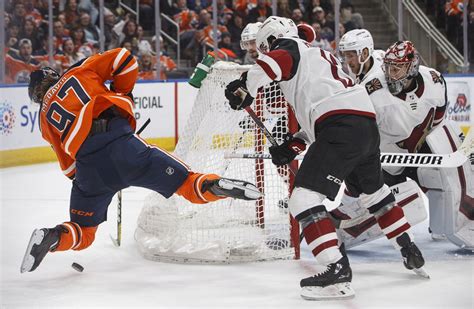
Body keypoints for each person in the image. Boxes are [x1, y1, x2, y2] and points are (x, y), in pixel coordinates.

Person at [224, 16, 426, 300]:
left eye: (264, 49)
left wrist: (245, 86)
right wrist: (294, 144)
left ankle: (337, 271)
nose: (265, 54)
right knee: (375, 194)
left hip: (340, 126)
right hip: (363, 126)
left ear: (271, 40)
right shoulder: (316, 57)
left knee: (302, 200)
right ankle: (408, 247)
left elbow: (271, 65)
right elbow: (320, 113)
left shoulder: (288, 48)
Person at [21, 48, 262, 274]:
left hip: (89, 169)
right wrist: (122, 93)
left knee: (84, 233)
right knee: (187, 184)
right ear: (54, 75)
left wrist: (93, 183)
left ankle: (52, 237)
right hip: (122, 145)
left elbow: (69, 166)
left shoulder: (43, 119)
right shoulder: (78, 71)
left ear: (36, 96)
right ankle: (214, 185)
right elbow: (124, 59)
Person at [338, 35, 474, 249]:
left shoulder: (434, 79)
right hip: (387, 158)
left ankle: (453, 219)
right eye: (388, 68)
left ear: (411, 68)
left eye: (396, 69)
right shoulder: (371, 91)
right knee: (393, 204)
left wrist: (424, 142)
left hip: (421, 149)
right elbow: (359, 134)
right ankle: (340, 223)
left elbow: (438, 116)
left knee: (446, 174)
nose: (389, 75)